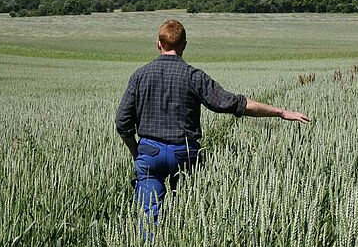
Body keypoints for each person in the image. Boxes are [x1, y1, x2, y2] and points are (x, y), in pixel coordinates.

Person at [115, 19, 309, 226]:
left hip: (150, 153)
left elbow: (122, 122)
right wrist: (280, 112)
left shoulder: (139, 76)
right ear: (184, 45)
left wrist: (137, 153)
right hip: (184, 153)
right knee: (186, 212)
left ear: (158, 44)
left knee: (148, 217)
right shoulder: (194, 76)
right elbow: (234, 103)